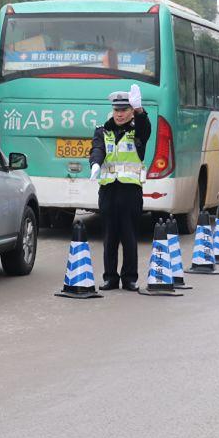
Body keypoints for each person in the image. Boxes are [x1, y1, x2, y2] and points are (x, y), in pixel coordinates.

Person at [89, 84, 151, 291]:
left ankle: (130, 278)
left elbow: (145, 128)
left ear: (131, 111)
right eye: (117, 110)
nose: (120, 114)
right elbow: (97, 149)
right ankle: (110, 278)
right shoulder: (102, 130)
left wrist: (141, 111)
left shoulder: (138, 130)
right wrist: (95, 164)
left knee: (129, 236)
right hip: (108, 190)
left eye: (124, 110)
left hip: (130, 191)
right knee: (109, 236)